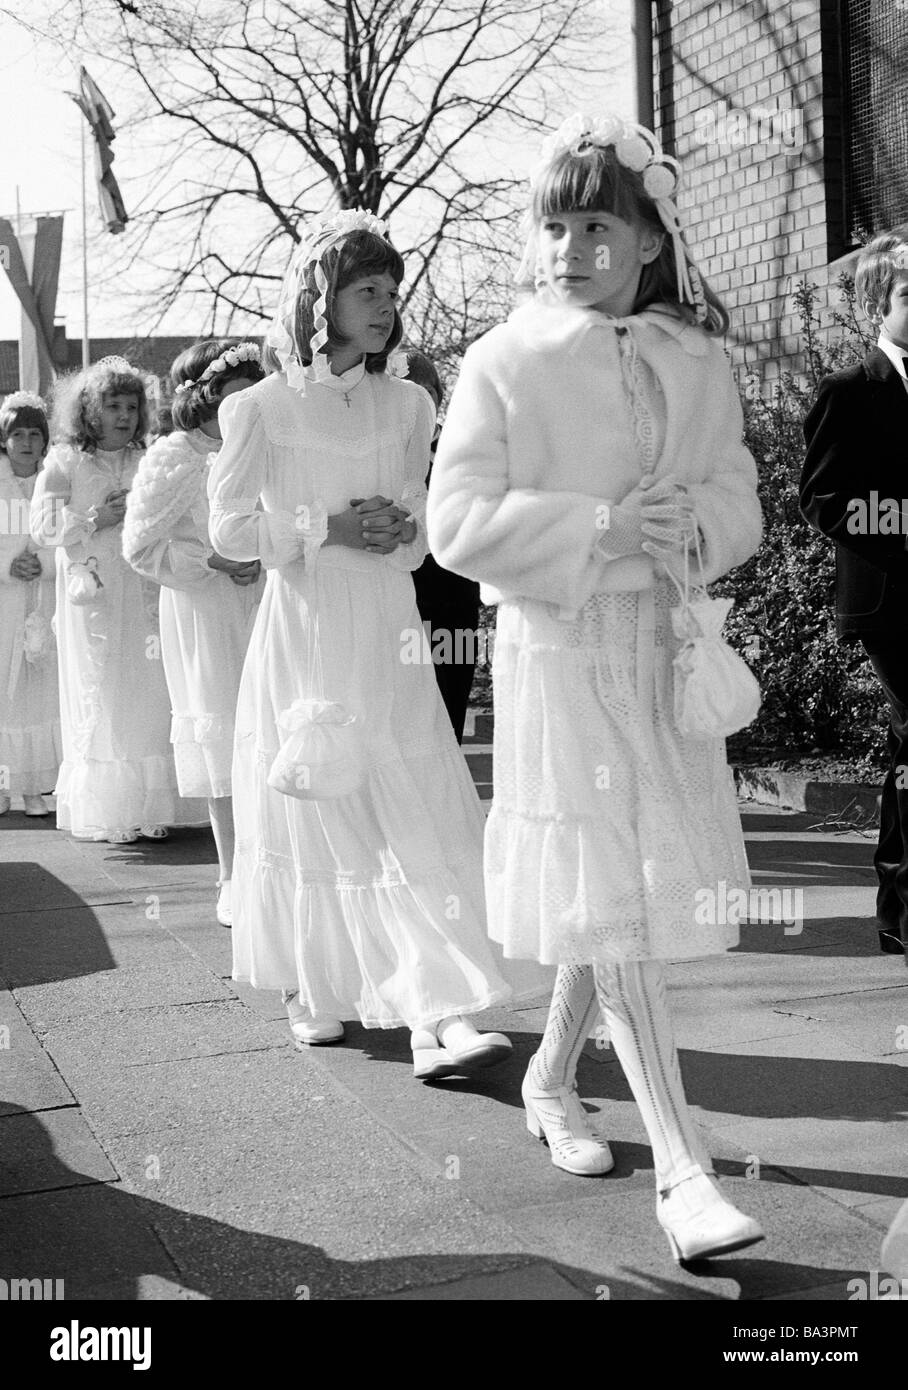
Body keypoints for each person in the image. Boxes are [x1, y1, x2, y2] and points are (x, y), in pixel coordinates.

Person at [427, 113, 765, 1261]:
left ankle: (547, 1079)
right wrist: (605, 527)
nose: (569, 247)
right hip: (558, 652)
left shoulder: (695, 358)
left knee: (606, 885)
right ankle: (682, 1170)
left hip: (660, 649)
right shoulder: (502, 361)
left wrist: (689, 531)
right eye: (555, 224)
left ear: (646, 239)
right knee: (610, 889)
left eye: (596, 225)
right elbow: (455, 522)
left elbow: (740, 498)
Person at [207, 211, 516, 1076]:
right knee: (320, 799)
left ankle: (439, 1008)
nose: (384, 306)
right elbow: (228, 531)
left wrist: (397, 531)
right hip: (304, 628)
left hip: (389, 625)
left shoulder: (410, 402)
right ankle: (320, 985)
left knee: (408, 791)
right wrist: (323, 526)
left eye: (391, 291)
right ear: (322, 298)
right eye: (366, 290)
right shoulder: (260, 408)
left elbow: (426, 534)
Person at [31, 357, 204, 843]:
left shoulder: (147, 458)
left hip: (144, 587)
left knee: (150, 689)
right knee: (102, 689)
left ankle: (152, 805)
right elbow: (43, 530)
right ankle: (110, 809)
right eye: (113, 406)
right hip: (94, 594)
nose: (124, 415)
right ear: (89, 409)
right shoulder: (63, 462)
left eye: (132, 406)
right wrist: (94, 517)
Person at [122, 341, 265, 925]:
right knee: (223, 732)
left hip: (267, 600)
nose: (245, 408)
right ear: (204, 395)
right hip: (206, 612)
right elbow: (140, 546)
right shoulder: (176, 456)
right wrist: (213, 561)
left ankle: (275, 865)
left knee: (269, 728)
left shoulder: (262, 444)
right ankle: (232, 873)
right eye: (235, 396)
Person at [801, 227, 908, 963]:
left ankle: (897, 910)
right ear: (879, 301)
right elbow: (824, 497)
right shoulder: (851, 391)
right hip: (890, 601)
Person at [405, 351, 481, 744]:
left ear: (439, 394)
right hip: (396, 601)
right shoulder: (377, 455)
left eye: (424, 393)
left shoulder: (463, 448)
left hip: (453, 601)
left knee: (449, 706)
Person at [0, 391, 61, 815]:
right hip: (4, 599)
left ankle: (36, 786)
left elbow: (67, 536)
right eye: (16, 434)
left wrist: (43, 564)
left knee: (39, 692)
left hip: (43, 598)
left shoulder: (54, 482)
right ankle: (3, 784)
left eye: (34, 434)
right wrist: (7, 566)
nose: (26, 442)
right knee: (5, 691)